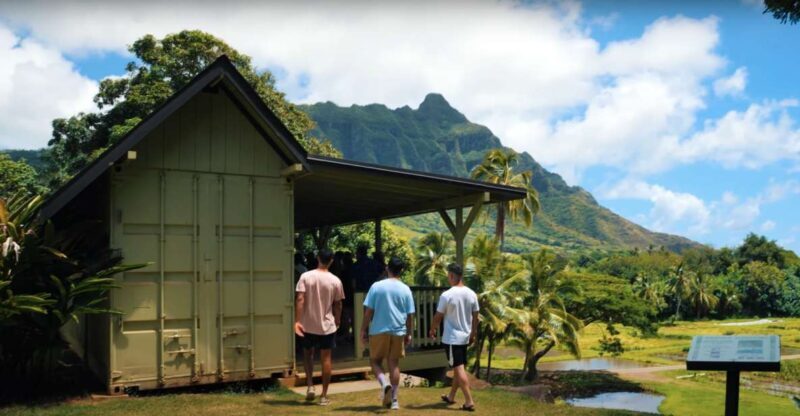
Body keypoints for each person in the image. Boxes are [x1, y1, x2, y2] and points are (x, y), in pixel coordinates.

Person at [360, 256, 415, 410]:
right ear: (401, 270)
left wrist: (363, 329)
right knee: (394, 363)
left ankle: (385, 384)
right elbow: (410, 315)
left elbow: (368, 312)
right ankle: (395, 400)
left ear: (387, 268)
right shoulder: (406, 289)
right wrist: (409, 333)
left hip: (379, 329)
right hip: (398, 330)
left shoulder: (376, 287)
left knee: (375, 361)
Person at [294, 248, 344, 406]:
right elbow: (338, 304)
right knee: (326, 359)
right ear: (331, 261)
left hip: (307, 324)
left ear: (317, 258)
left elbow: (300, 298)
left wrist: (297, 320)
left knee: (307, 355)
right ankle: (323, 395)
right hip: (327, 325)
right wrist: (338, 320)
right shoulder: (335, 280)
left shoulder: (306, 276)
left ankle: (310, 386)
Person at [429, 263, 479, 412]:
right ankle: (451, 396)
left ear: (451, 275)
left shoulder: (447, 295)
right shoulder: (472, 294)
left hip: (452, 338)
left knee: (458, 369)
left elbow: (438, 316)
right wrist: (473, 333)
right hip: (464, 337)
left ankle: (469, 401)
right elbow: (476, 317)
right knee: (459, 367)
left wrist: (432, 329)